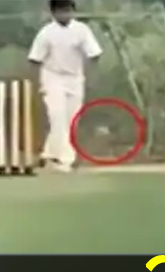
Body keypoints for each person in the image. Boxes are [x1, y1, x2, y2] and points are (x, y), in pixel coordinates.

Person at [28, 0, 103, 173]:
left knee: (71, 120)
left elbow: (94, 54)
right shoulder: (46, 33)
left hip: (75, 78)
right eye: (61, 11)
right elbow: (34, 59)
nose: (65, 14)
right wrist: (34, 84)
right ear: (53, 13)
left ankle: (49, 153)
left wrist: (91, 76)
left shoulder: (81, 30)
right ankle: (65, 159)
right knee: (57, 116)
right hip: (52, 77)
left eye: (68, 10)